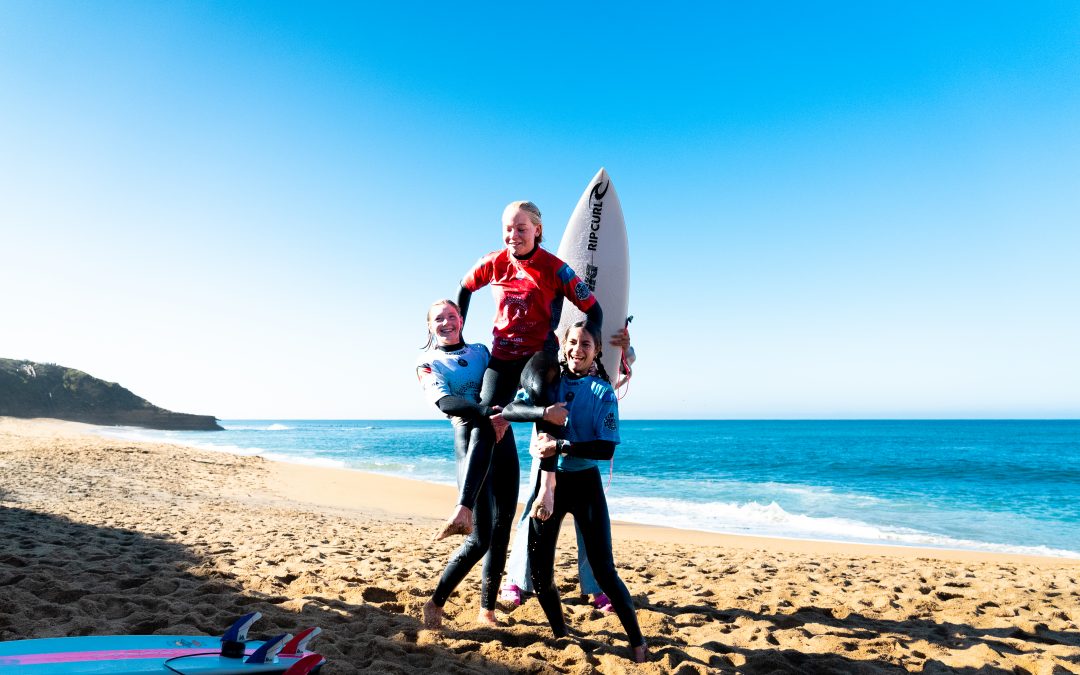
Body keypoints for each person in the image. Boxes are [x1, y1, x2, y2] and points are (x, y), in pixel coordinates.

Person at [437, 200, 603, 538]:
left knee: (543, 390)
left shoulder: (556, 269)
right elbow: (465, 287)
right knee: (486, 416)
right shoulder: (494, 263)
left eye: (521, 229)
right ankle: (463, 508)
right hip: (502, 354)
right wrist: (462, 328)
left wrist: (590, 345)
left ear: (537, 230)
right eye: (508, 229)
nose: (513, 235)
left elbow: (593, 309)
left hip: (539, 352)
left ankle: (547, 486)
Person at [502, 321, 647, 663]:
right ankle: (561, 632)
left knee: (604, 569)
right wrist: (542, 412)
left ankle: (637, 641)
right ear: (562, 344)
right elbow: (510, 409)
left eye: (585, 344)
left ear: (597, 350)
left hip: (585, 486)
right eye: (572, 341)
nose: (577, 349)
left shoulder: (602, 392)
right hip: (548, 486)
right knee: (539, 571)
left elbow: (605, 449)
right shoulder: (548, 380)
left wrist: (561, 446)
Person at [415, 300, 519, 627]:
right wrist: (486, 413)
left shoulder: (481, 351)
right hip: (470, 443)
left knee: (502, 531)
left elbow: (506, 383)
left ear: (460, 318)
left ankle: (486, 610)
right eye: (438, 320)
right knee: (479, 537)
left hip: (504, 441)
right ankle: (435, 603)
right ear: (430, 327)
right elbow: (446, 403)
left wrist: (508, 409)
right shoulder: (428, 362)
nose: (445, 323)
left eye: (450, 316)